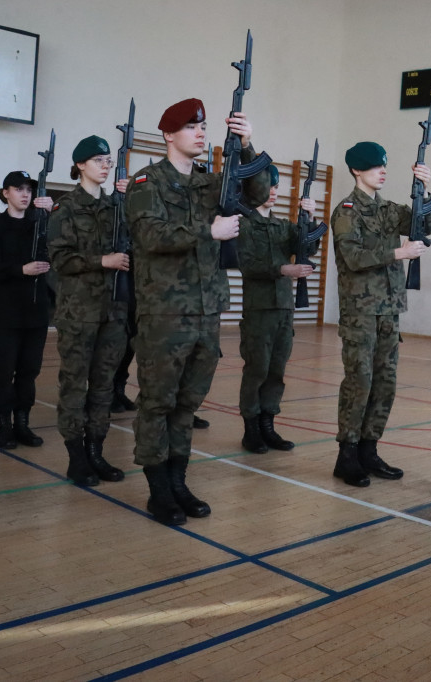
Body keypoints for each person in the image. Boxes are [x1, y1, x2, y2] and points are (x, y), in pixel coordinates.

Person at [125, 98, 270, 526]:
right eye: (191, 127)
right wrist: (208, 230)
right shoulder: (146, 182)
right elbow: (151, 235)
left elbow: (259, 193)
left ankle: (178, 480)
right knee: (158, 402)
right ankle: (158, 490)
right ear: (169, 135)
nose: (200, 133)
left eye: (203, 127)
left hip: (208, 312)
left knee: (188, 404)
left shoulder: (210, 183)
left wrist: (246, 144)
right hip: (165, 313)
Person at [329, 142, 431, 487]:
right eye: (374, 166)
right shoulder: (346, 212)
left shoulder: (389, 209)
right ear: (356, 171)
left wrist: (424, 188)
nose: (382, 171)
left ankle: (369, 450)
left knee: (385, 384)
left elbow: (426, 224)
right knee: (359, 382)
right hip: (361, 311)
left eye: (384, 166)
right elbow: (354, 258)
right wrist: (398, 252)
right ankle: (346, 456)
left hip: (389, 310)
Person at [47, 135, 131, 486]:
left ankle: (97, 451)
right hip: (78, 311)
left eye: (108, 160)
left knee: (103, 387)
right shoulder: (65, 208)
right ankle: (76, 457)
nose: (106, 165)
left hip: (113, 311)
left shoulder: (118, 206)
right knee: (74, 385)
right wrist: (103, 261)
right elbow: (60, 260)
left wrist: (132, 199)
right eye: (99, 160)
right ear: (80, 165)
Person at [236, 164, 317, 453]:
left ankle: (268, 425)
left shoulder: (282, 225)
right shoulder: (243, 224)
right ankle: (251, 429)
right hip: (258, 309)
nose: (273, 191)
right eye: (268, 186)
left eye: (276, 186)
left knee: (276, 370)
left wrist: (310, 217)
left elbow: (307, 245)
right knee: (256, 369)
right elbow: (246, 263)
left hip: (283, 308)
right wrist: (282, 268)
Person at [0, 171, 54, 449]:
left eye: (29, 190)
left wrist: (53, 214)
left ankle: (23, 423)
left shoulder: (40, 224)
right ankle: (5, 426)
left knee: (29, 370)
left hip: (36, 311)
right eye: (18, 189)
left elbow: (61, 246)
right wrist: (20, 269)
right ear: (5, 193)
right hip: (5, 312)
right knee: (3, 371)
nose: (25, 194)